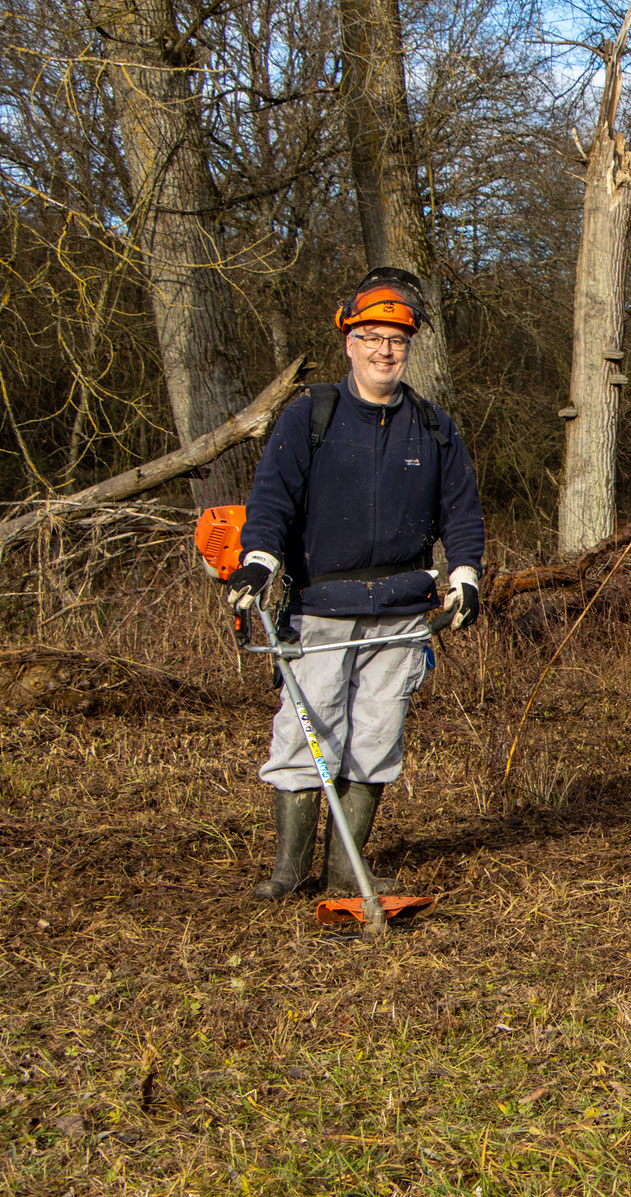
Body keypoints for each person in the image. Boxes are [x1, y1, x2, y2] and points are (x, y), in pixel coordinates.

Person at [225, 267, 485, 901]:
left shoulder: (432, 426)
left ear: (409, 346)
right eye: (371, 336)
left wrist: (466, 575)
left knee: (375, 737)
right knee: (305, 736)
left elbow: (463, 511)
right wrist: (259, 561)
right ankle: (288, 874)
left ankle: (345, 869)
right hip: (321, 610)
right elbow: (271, 501)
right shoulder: (309, 416)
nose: (384, 350)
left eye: (396, 339)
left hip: (401, 610)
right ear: (349, 343)